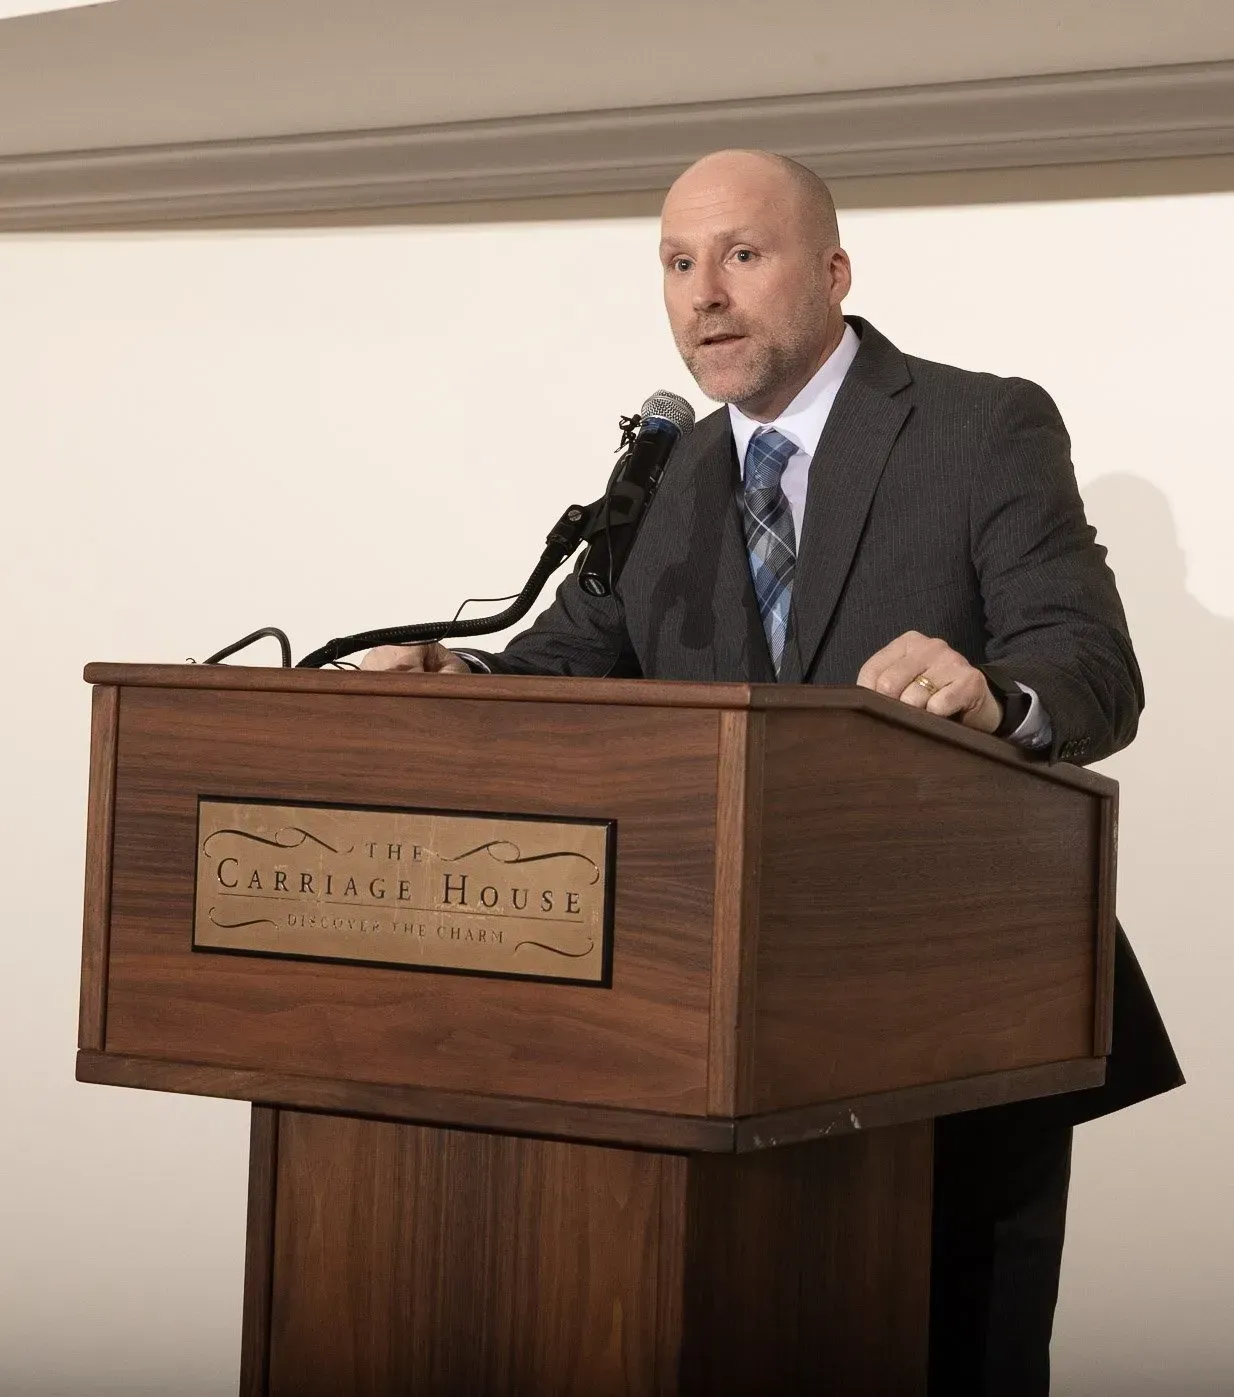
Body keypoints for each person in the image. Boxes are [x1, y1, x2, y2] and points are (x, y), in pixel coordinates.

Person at [361, 149, 1183, 1395]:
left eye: (742, 255)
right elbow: (570, 666)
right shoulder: (665, 476)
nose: (704, 295)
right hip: (708, 1030)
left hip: (947, 1020)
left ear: (834, 270)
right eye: (678, 264)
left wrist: (988, 691)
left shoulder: (979, 424)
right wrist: (457, 685)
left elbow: (1089, 665)